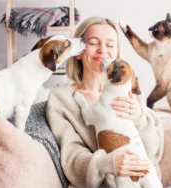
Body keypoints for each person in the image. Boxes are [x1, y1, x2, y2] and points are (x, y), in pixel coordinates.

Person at [46, 16, 164, 187]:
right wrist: (108, 163)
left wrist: (139, 117)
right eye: (93, 43)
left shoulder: (129, 91)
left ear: (116, 53)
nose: (102, 50)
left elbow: (152, 153)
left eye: (110, 45)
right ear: (79, 51)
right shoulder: (62, 99)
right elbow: (72, 158)